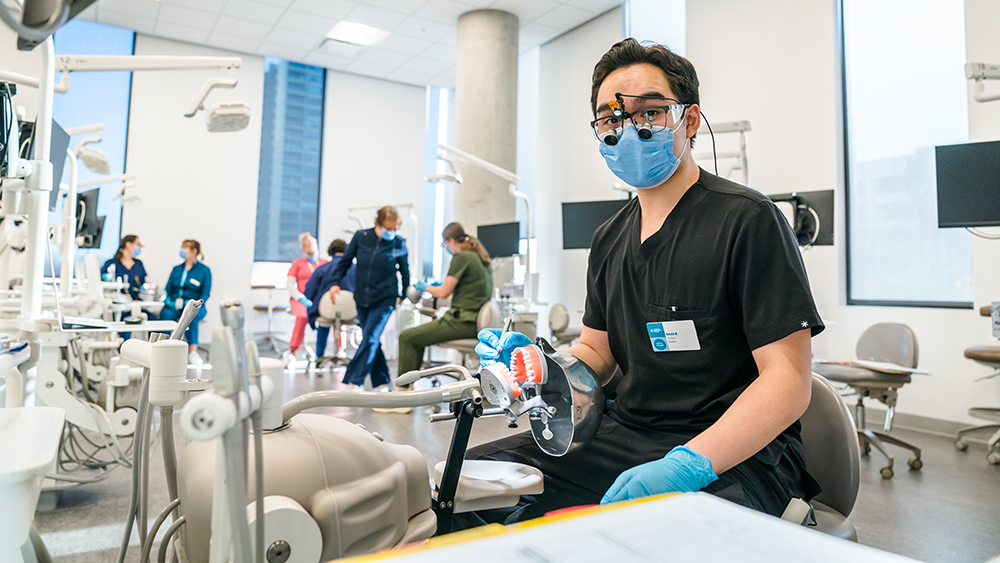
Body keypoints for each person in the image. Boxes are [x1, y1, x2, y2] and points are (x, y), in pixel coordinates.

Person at [457, 38, 825, 528]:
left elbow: (788, 380)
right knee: (464, 487)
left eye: (650, 112)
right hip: (624, 434)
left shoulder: (747, 220)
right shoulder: (609, 237)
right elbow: (596, 351)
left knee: (655, 541)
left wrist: (689, 463)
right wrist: (543, 365)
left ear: (689, 121)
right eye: (612, 118)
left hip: (732, 451)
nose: (629, 129)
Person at [328, 206, 410, 390]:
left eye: (396, 228)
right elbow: (344, 262)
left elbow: (405, 272)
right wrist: (335, 282)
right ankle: (381, 382)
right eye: (389, 228)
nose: (393, 232)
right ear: (378, 224)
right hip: (362, 298)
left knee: (371, 338)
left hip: (385, 299)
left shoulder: (399, 242)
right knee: (369, 339)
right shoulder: (361, 237)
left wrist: (404, 294)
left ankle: (354, 381)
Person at [397, 222, 492, 379]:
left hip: (461, 322)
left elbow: (443, 293)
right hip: (472, 322)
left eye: (444, 244)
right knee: (416, 338)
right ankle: (408, 385)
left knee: (407, 337)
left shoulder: (461, 257)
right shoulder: (479, 257)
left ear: (451, 241)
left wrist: (424, 287)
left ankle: (402, 390)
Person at [160, 239, 212, 365]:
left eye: (185, 247)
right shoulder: (177, 269)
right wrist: (169, 301)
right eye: (182, 247)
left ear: (194, 251)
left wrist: (193, 304)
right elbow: (168, 289)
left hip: (195, 306)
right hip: (174, 305)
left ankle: (192, 352)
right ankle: (164, 349)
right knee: (165, 314)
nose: (182, 250)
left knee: (191, 316)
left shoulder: (204, 271)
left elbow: (205, 294)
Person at [303, 238, 356, 358]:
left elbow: (309, 292)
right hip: (351, 312)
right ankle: (342, 353)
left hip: (326, 312)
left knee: (324, 322)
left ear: (330, 252)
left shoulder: (322, 269)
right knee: (341, 319)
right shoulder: (356, 269)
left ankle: (319, 357)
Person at [284, 233, 328, 363]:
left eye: (311, 244)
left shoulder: (324, 263)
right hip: (301, 299)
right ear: (302, 248)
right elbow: (290, 285)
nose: (309, 247)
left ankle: (330, 353)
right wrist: (300, 297)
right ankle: (293, 350)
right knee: (303, 316)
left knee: (332, 316)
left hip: (320, 300)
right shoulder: (297, 263)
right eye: (306, 245)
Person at [102, 235, 147, 301]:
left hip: (135, 301)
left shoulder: (138, 264)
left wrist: (145, 287)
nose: (139, 247)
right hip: (116, 301)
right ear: (128, 244)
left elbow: (142, 282)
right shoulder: (112, 263)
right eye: (138, 244)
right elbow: (100, 279)